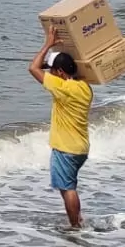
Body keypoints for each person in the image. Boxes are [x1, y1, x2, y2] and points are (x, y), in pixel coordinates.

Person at [30, 27, 93, 229]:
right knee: (69, 186)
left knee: (68, 189)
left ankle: (75, 227)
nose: (49, 73)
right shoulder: (85, 87)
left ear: (60, 73)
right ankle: (78, 220)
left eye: (52, 70)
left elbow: (33, 68)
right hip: (80, 148)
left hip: (66, 149)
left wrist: (48, 43)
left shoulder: (63, 88)